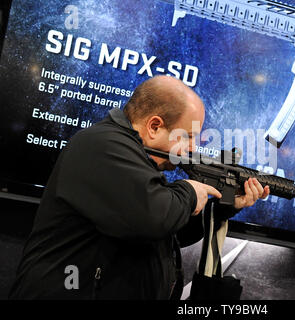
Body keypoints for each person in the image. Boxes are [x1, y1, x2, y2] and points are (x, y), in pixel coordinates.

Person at [9, 75, 269, 300]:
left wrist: (223, 206)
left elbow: (168, 232)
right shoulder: (103, 145)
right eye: (187, 136)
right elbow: (153, 217)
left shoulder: (139, 162)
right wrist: (189, 192)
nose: (192, 149)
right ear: (154, 126)